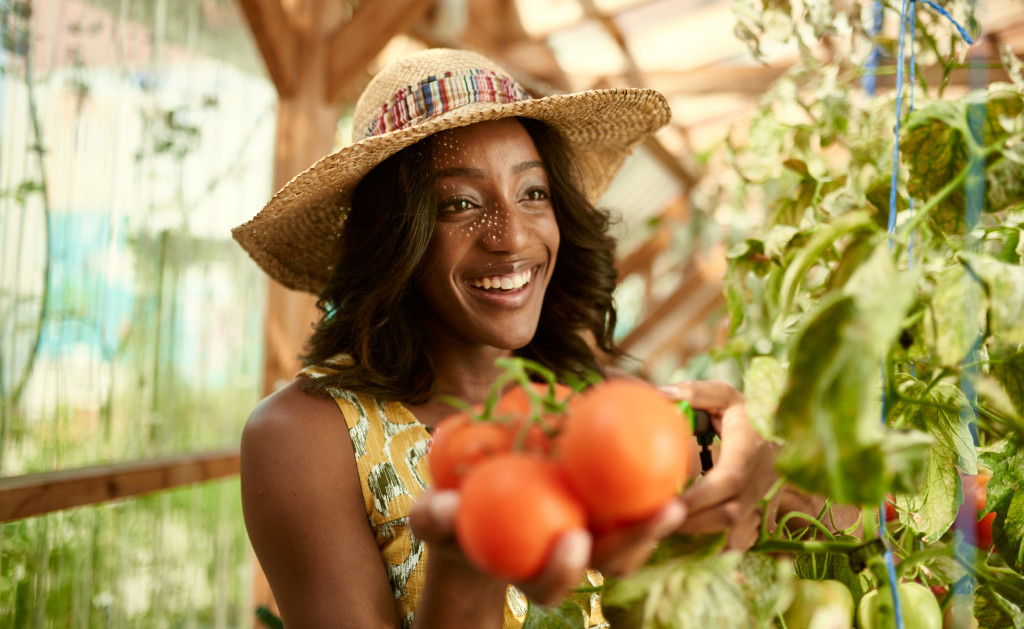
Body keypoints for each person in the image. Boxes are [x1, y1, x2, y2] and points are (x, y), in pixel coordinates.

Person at [233, 48, 780, 629]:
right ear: (394, 238)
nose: (512, 236)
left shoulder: (616, 404)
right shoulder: (306, 437)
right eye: (460, 204)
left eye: (533, 193)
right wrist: (465, 568)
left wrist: (764, 488)